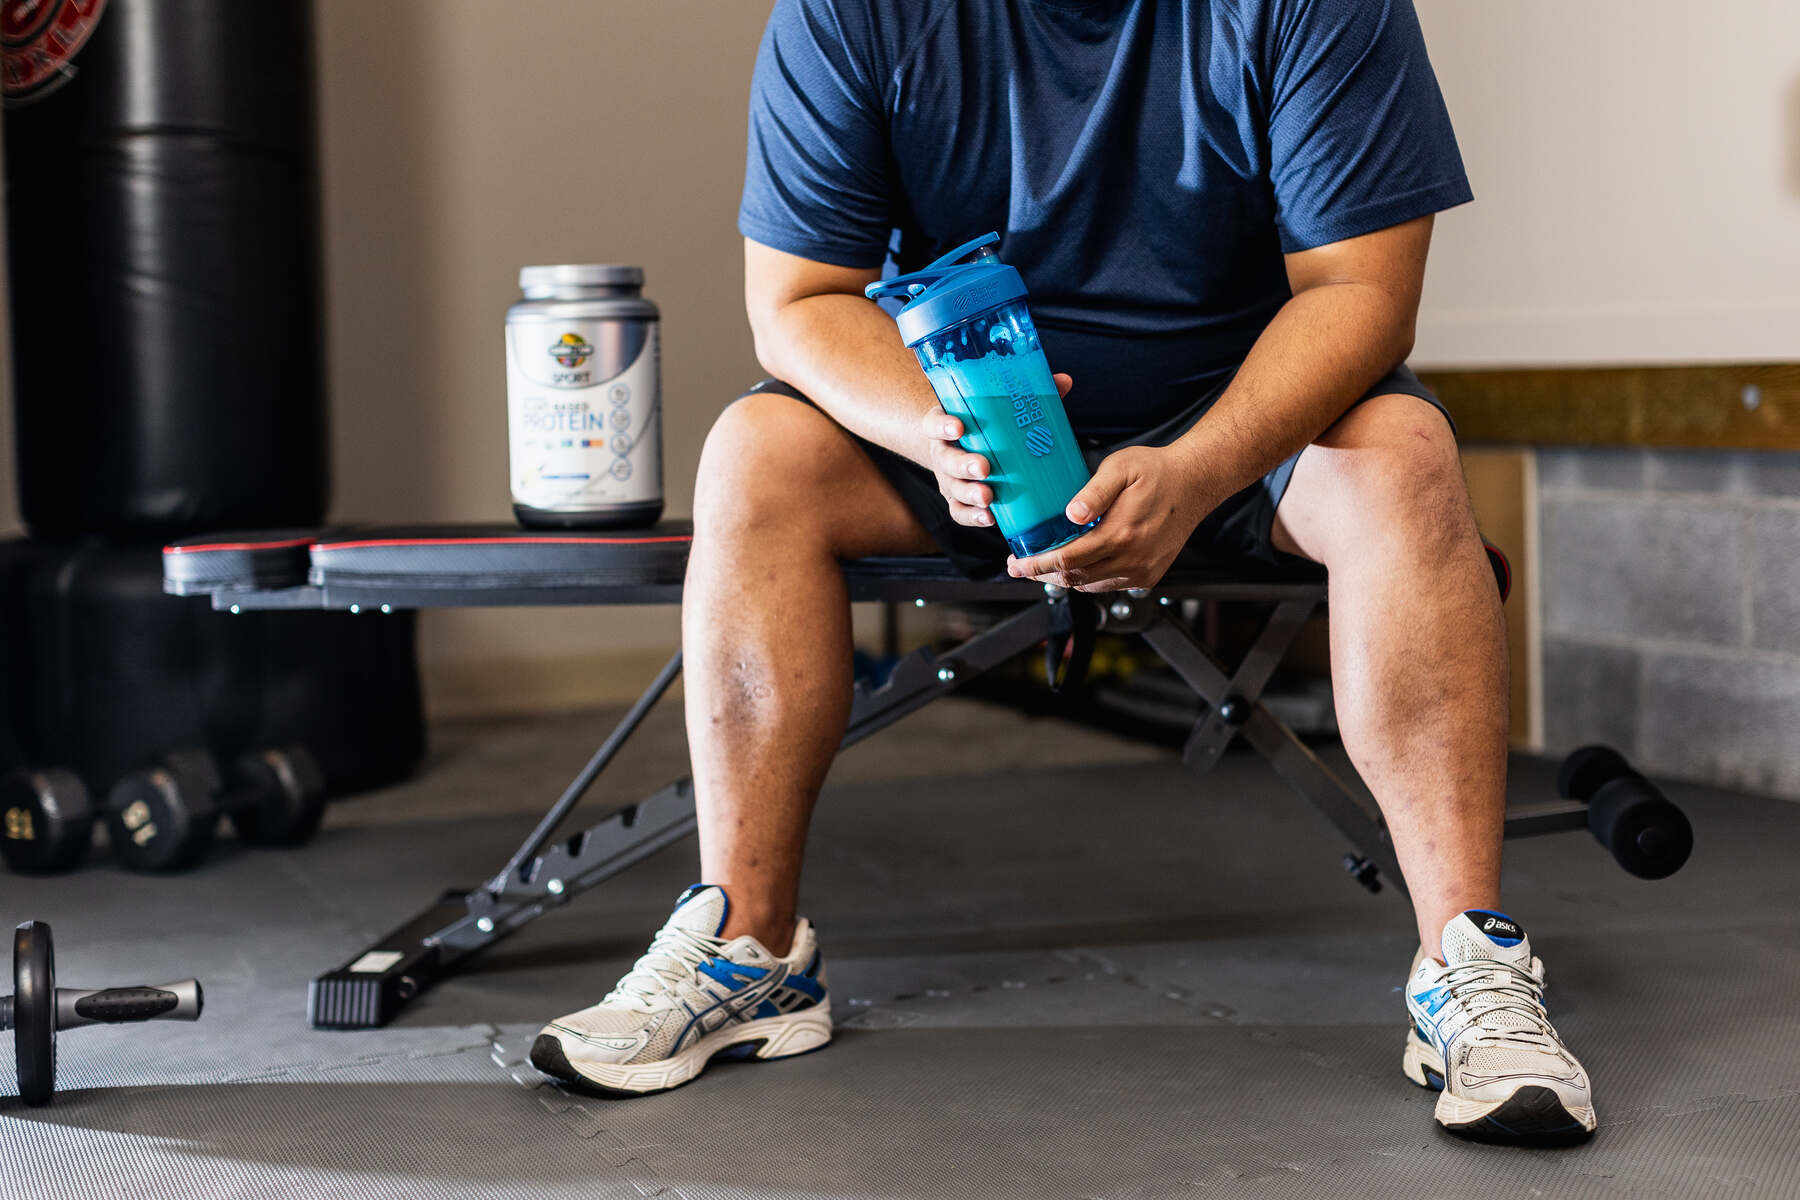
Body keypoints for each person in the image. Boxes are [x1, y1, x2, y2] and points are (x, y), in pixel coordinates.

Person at [531, 0, 1595, 1142]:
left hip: (1237, 421)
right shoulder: (851, 13)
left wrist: (1193, 471)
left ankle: (1466, 966)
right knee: (754, 457)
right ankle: (750, 951)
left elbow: (1361, 294)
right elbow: (795, 302)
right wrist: (934, 430)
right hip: (963, 420)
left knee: (1405, 461)